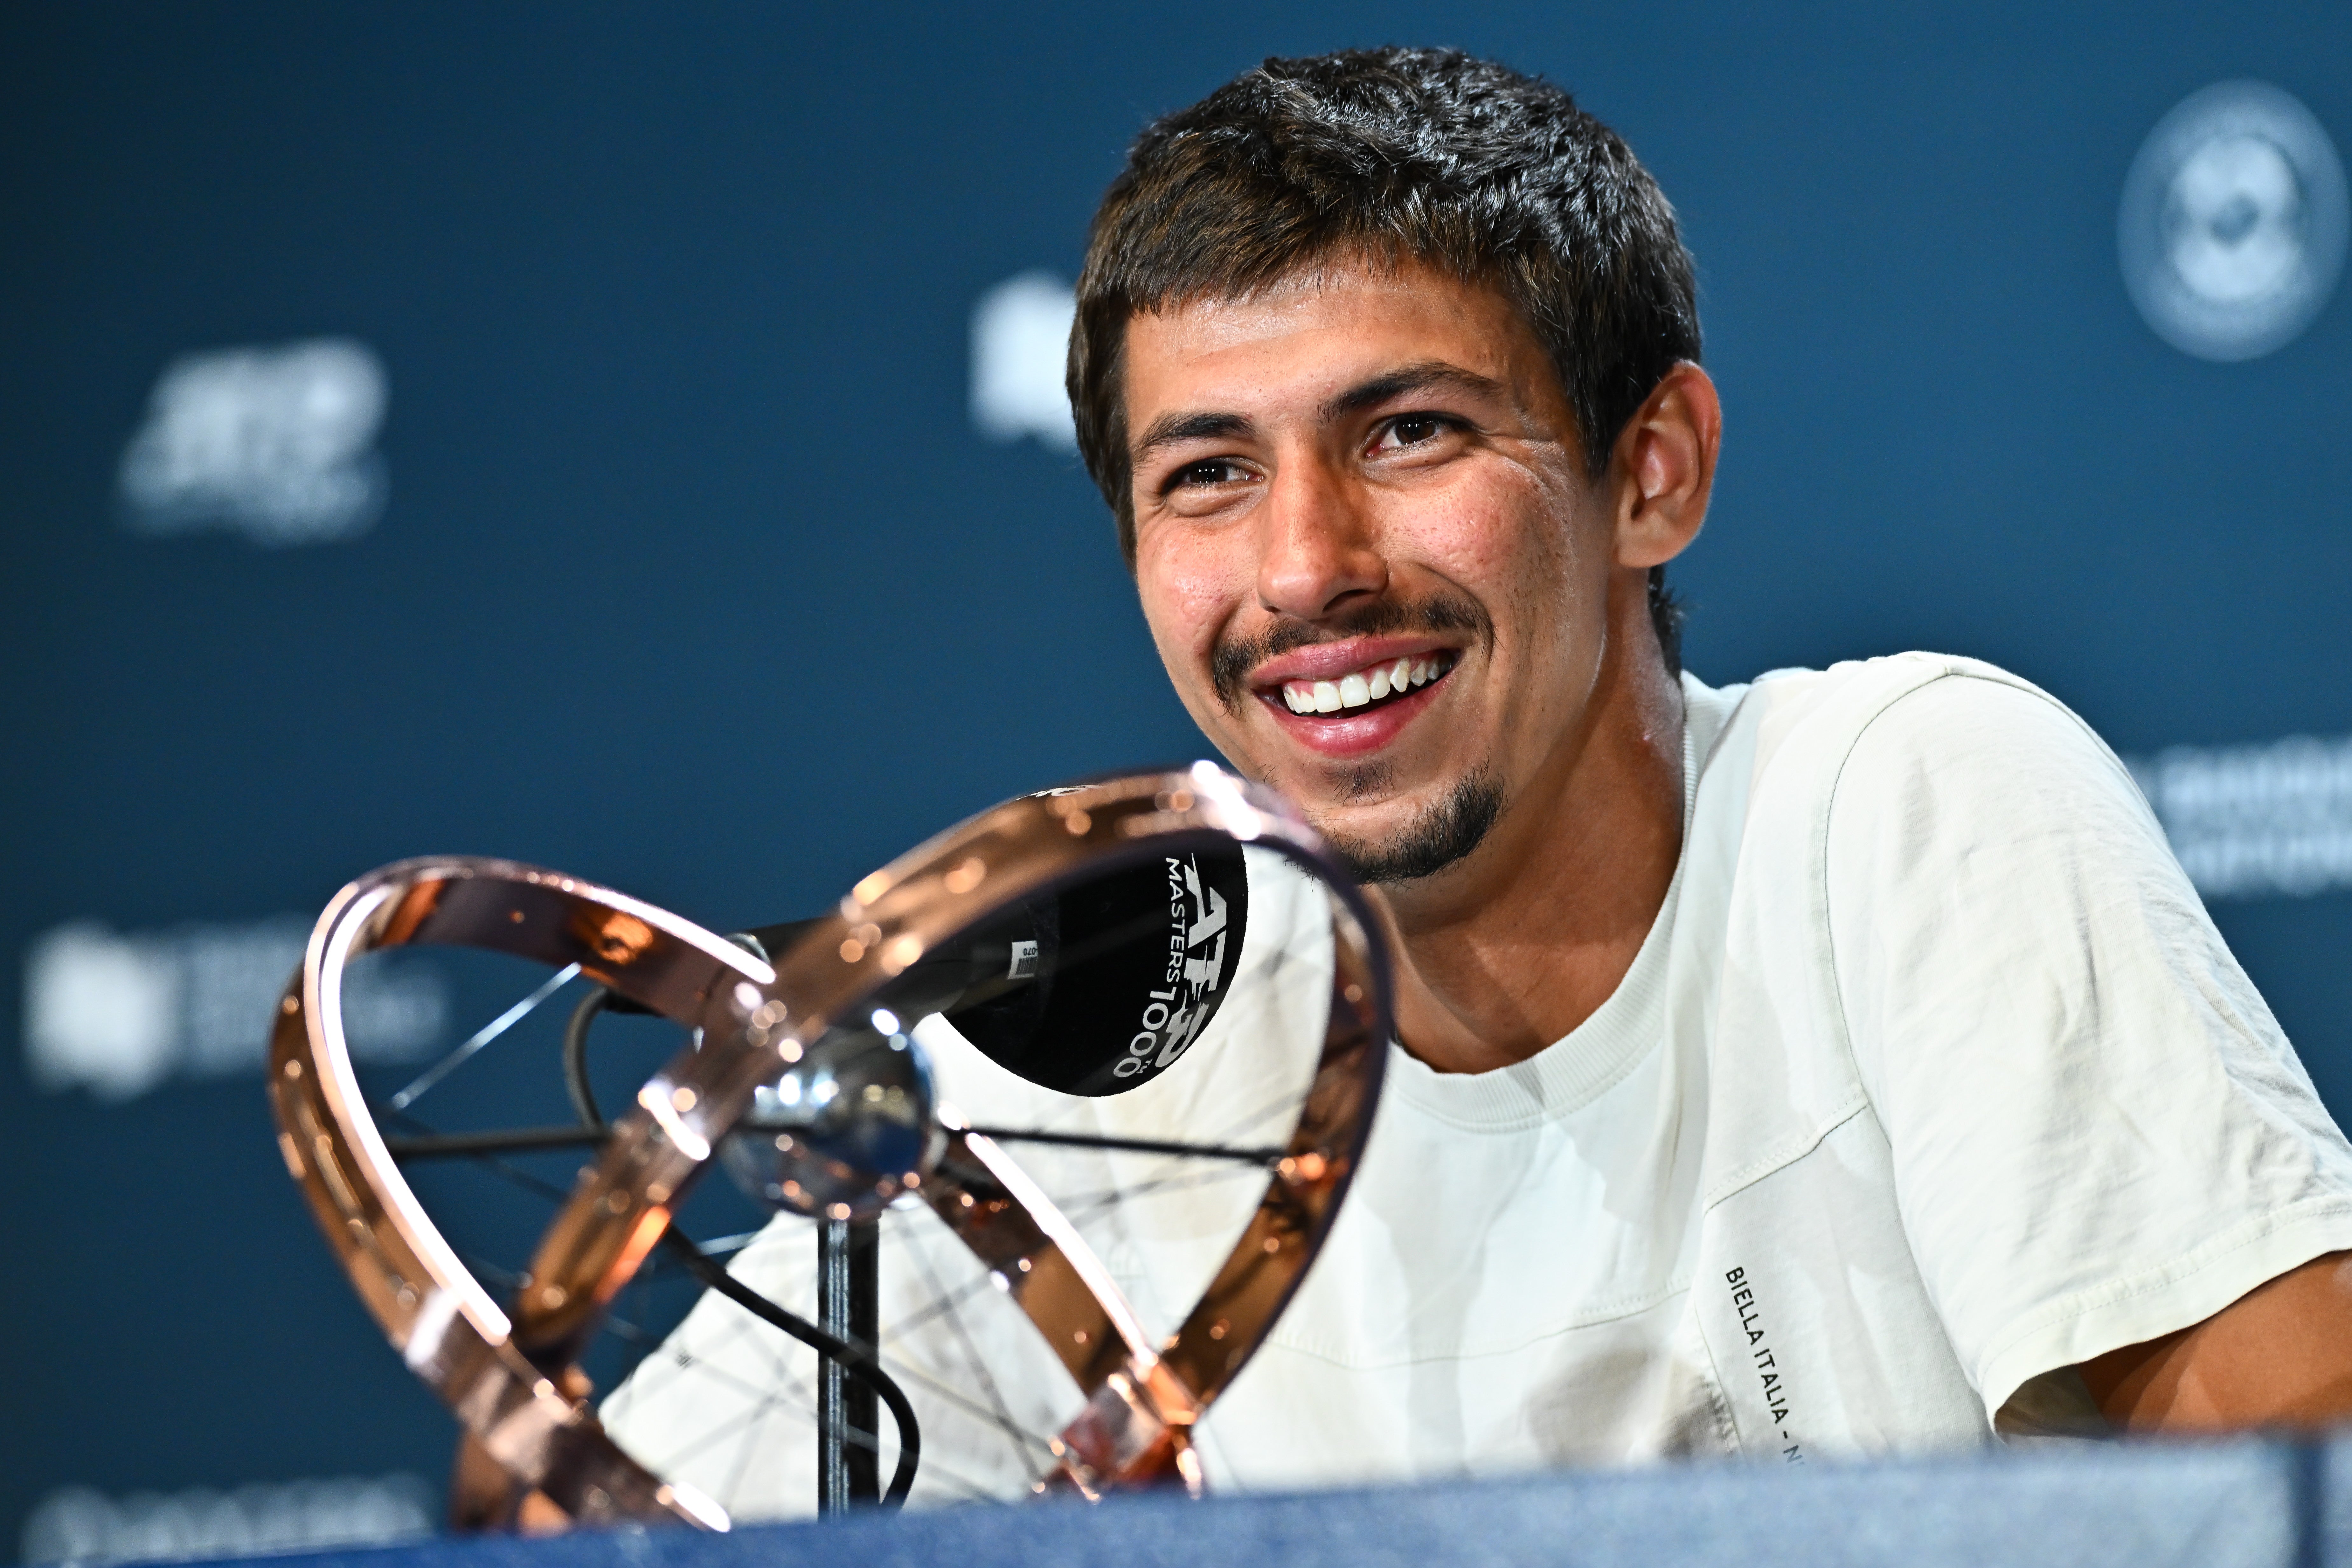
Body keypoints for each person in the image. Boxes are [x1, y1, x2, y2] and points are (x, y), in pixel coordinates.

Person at [603, 46, 2352, 1507]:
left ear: (1650, 471)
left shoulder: (1897, 803)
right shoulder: (1111, 1045)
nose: (1303, 567)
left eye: (1405, 433)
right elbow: (567, 1527)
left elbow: (2294, 1489)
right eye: (1207, 472)